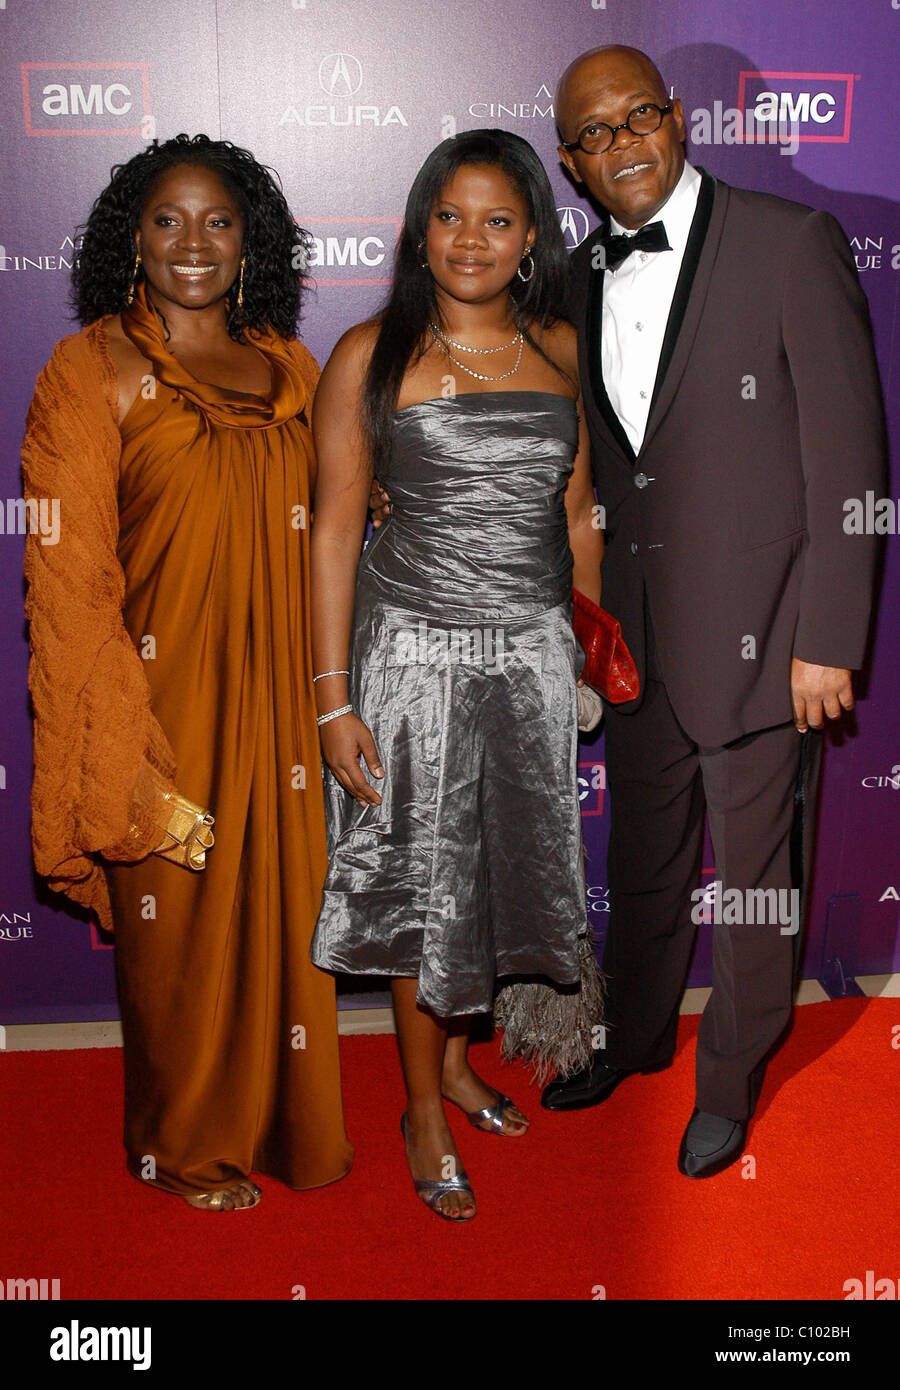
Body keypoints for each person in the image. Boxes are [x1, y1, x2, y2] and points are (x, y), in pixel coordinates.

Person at [538, 46, 886, 1176]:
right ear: (572, 163)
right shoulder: (578, 280)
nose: (620, 145)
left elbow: (850, 458)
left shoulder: (789, 243)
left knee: (754, 878)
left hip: (768, 636)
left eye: (637, 117)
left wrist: (829, 639)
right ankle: (635, 1038)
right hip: (636, 638)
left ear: (678, 121)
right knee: (642, 857)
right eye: (592, 134)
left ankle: (729, 1078)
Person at [22, 134, 353, 1210]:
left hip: (285, 700)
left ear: (252, 241)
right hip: (155, 701)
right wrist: (120, 751)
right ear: (132, 239)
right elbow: (68, 583)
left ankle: (284, 1126)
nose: (194, 243)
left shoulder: (293, 367)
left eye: (219, 220)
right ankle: (178, 1146)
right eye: (168, 220)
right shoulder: (90, 369)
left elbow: (345, 526)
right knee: (181, 935)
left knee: (281, 922)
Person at [309, 129, 603, 1220]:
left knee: (494, 877)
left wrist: (582, 643)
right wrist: (332, 695)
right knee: (419, 884)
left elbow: (576, 518)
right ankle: (420, 1109)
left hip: (526, 660)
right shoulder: (370, 352)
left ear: (531, 237)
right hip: (410, 661)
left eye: (497, 219)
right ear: (419, 230)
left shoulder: (564, 350)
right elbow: (335, 530)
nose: (471, 239)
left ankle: (453, 1064)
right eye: (449, 215)